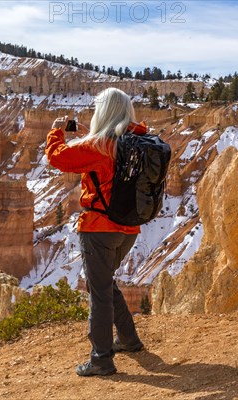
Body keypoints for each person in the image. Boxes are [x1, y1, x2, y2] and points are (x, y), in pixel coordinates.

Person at [45, 87, 145, 377]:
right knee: (104, 282)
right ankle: (128, 340)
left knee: (98, 291)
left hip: (100, 228)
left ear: (103, 112)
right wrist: (89, 135)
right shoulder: (137, 138)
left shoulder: (99, 146)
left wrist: (55, 132)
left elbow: (58, 158)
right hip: (130, 228)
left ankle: (101, 359)